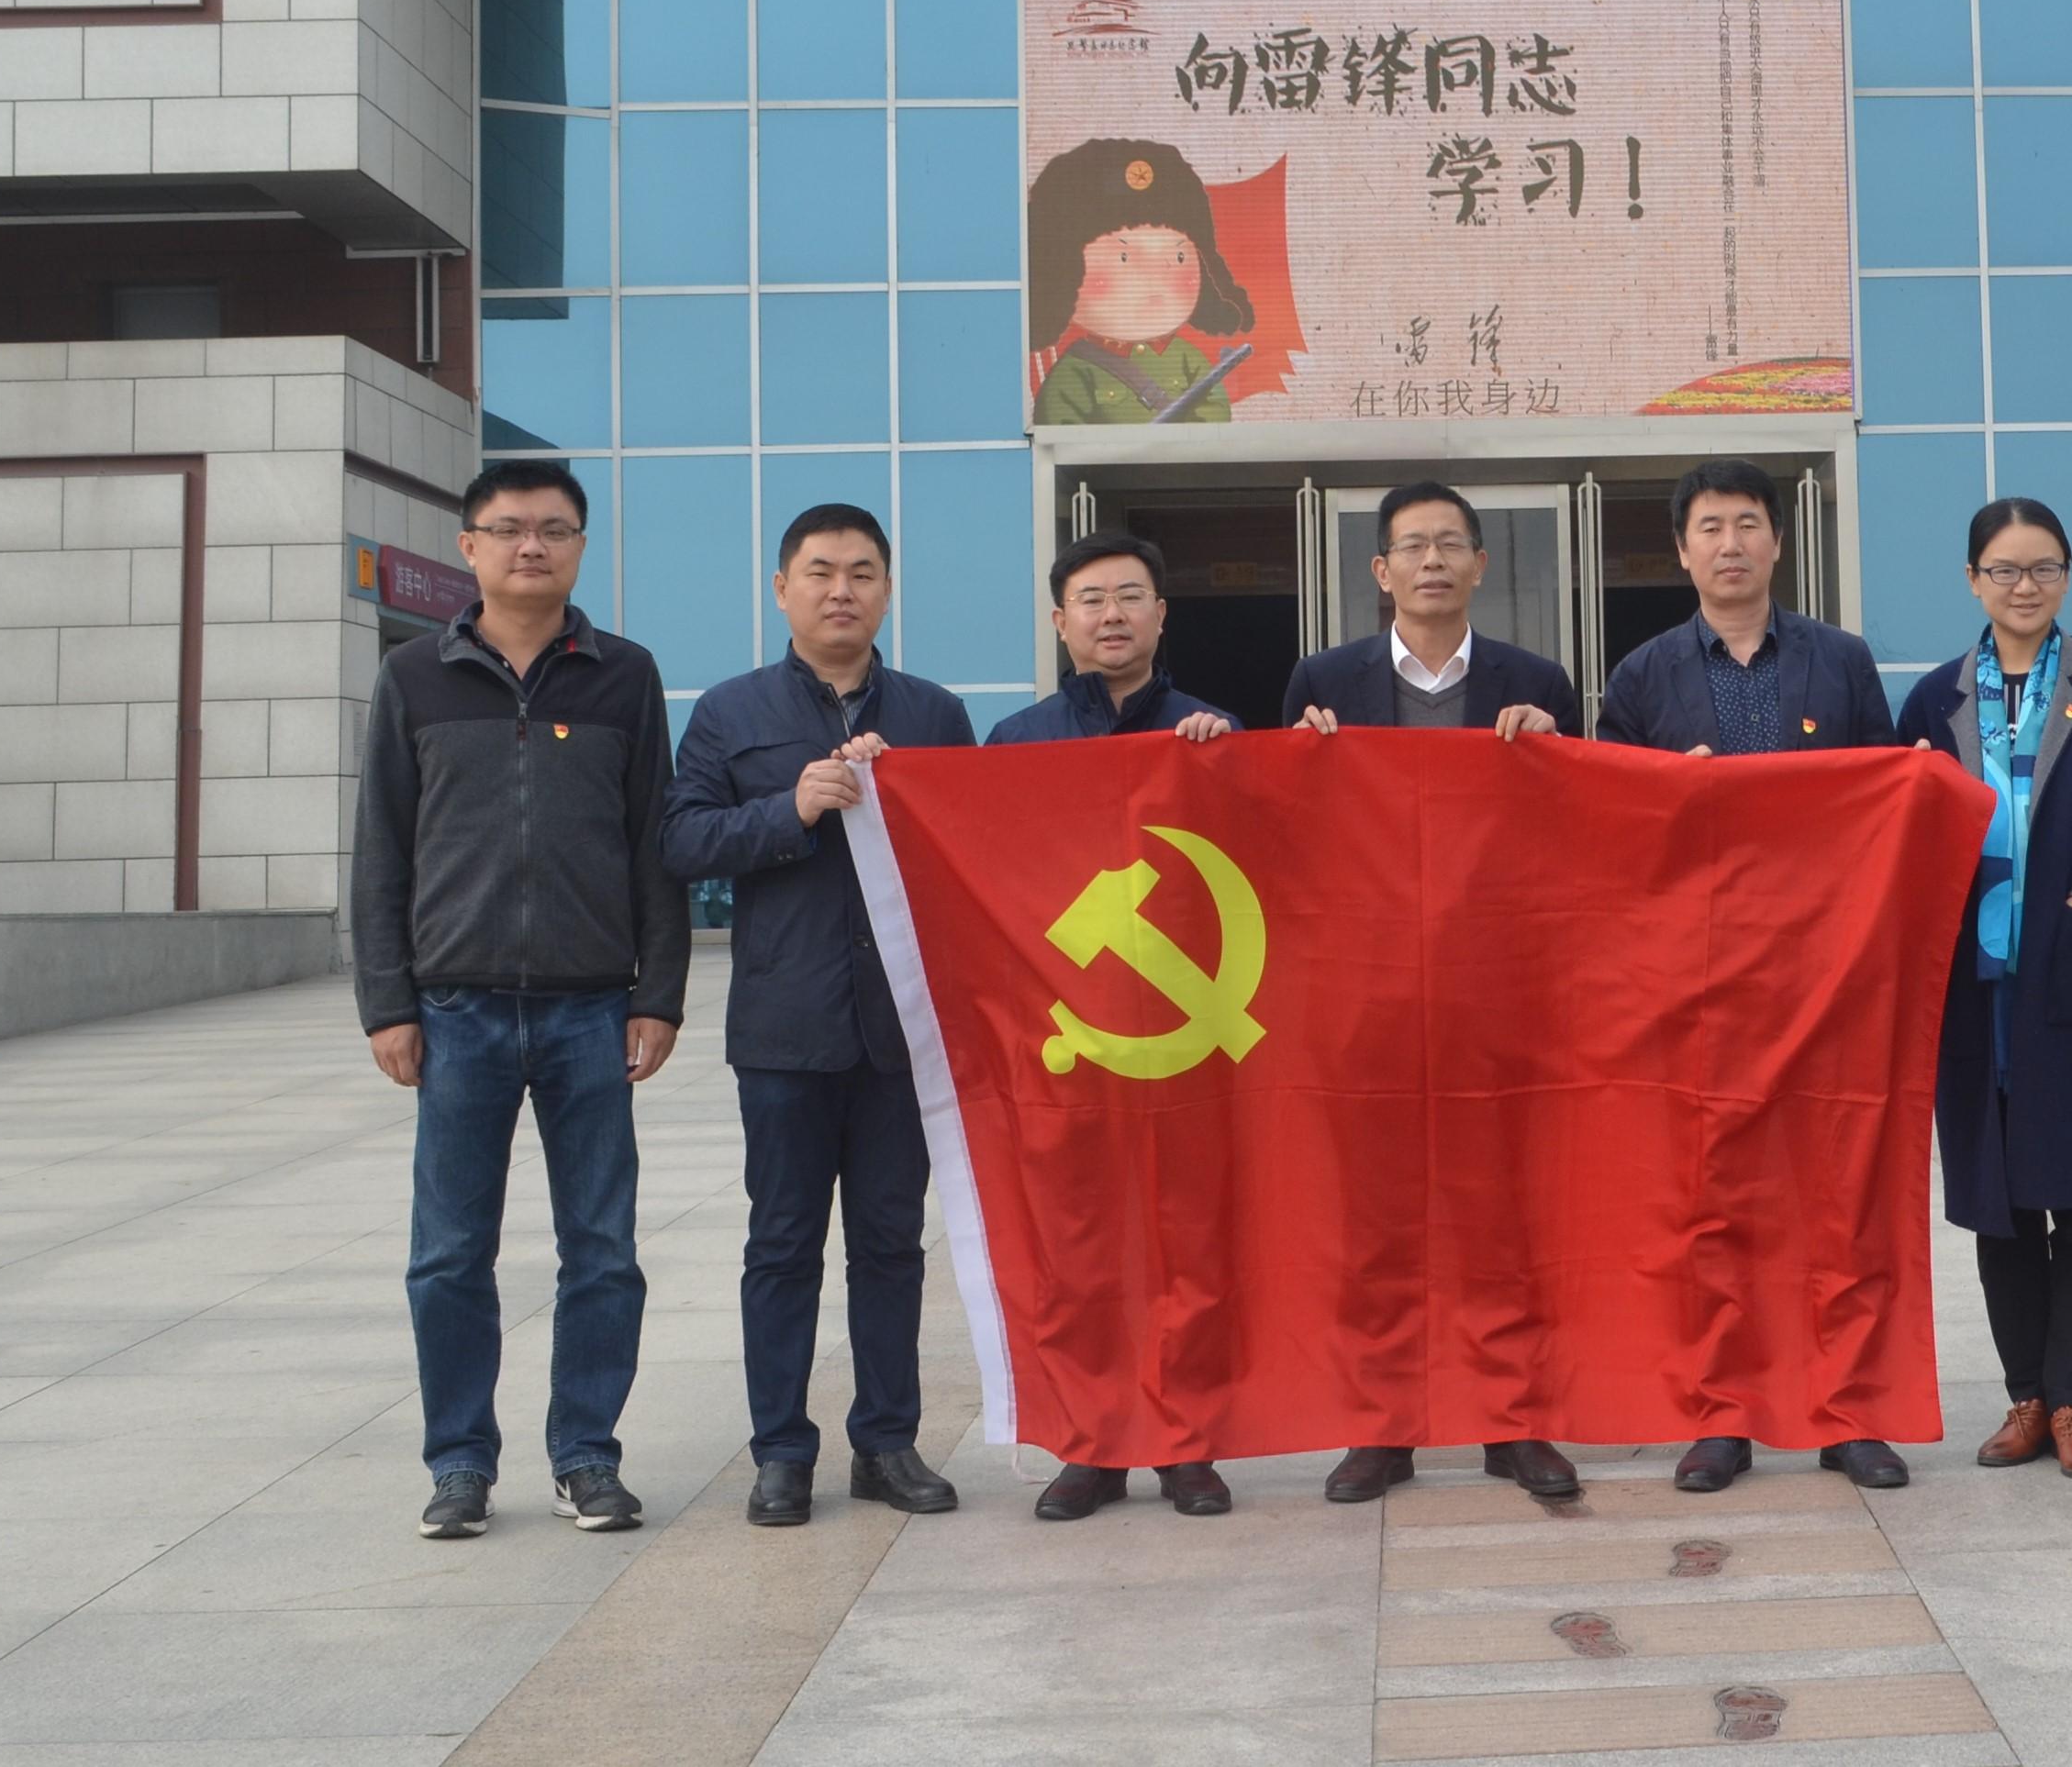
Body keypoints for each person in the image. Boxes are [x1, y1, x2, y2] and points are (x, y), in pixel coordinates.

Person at [351, 461, 685, 1546]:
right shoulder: (413, 677)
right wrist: (387, 1003)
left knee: (603, 1250)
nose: (529, 546)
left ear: (580, 545)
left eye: (552, 529)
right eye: (507, 529)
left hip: (592, 1011)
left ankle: (586, 1456)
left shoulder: (624, 676)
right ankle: (458, 1464)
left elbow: (652, 845)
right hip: (457, 1010)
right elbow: (381, 853)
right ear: (470, 547)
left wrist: (659, 993)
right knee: (450, 1254)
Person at [663, 505, 974, 1534]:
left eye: (862, 572)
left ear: (886, 589)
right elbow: (683, 842)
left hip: (900, 1032)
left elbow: (972, 856)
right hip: (785, 1029)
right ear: (781, 589)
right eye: (820, 571)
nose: (841, 590)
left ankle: (885, 1443)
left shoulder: (933, 714)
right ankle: (780, 1454)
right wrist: (789, 809)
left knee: (891, 1244)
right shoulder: (729, 711)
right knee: (782, 1244)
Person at [1594, 457, 1902, 1495]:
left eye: (1746, 524)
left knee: (1834, 1196)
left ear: (1777, 541)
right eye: (1709, 527)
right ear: (1681, 551)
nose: (1729, 544)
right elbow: (1608, 827)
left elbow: (1882, 798)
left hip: (1824, 963)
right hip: (1701, 973)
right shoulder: (1642, 676)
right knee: (1711, 1201)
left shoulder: (1839, 661)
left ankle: (1844, 1411)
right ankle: (1718, 1414)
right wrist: (1661, 801)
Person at [1284, 479, 1583, 1508]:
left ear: (1480, 565)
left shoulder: (1535, 682)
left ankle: (1514, 1422)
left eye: (1450, 544)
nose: (1431, 562)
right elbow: (1289, 835)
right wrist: (1302, 758)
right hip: (1366, 993)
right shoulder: (1324, 680)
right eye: (1411, 546)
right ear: (1380, 569)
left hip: (1494, 989)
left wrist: (1555, 752)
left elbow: (1574, 835)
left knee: (1502, 1217)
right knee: (1374, 1221)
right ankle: (1382, 1425)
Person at [1897, 497, 2072, 1486]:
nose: (2025, 586)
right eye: (2005, 570)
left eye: (2044, 567)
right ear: (1972, 580)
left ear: (2066, 575)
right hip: (1974, 994)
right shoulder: (1933, 700)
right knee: (1999, 1206)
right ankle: (2024, 1395)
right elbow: (1900, 820)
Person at [986, 528, 1241, 1518]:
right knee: (1078, 1248)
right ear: (1060, 621)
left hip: (1182, 1048)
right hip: (1068, 1040)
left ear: (1160, 614)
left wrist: (1224, 768)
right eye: (1090, 600)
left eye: (1130, 596)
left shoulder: (1210, 730)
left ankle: (1186, 1441)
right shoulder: (1017, 742)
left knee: (1187, 1246)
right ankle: (1091, 1443)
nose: (1111, 615)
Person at [1026, 139, 1255, 424]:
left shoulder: (1184, 356)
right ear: (1063, 273)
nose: (1154, 277)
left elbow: (1214, 405)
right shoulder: (1076, 372)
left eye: (1179, 257)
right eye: (1124, 257)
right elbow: (1059, 430)